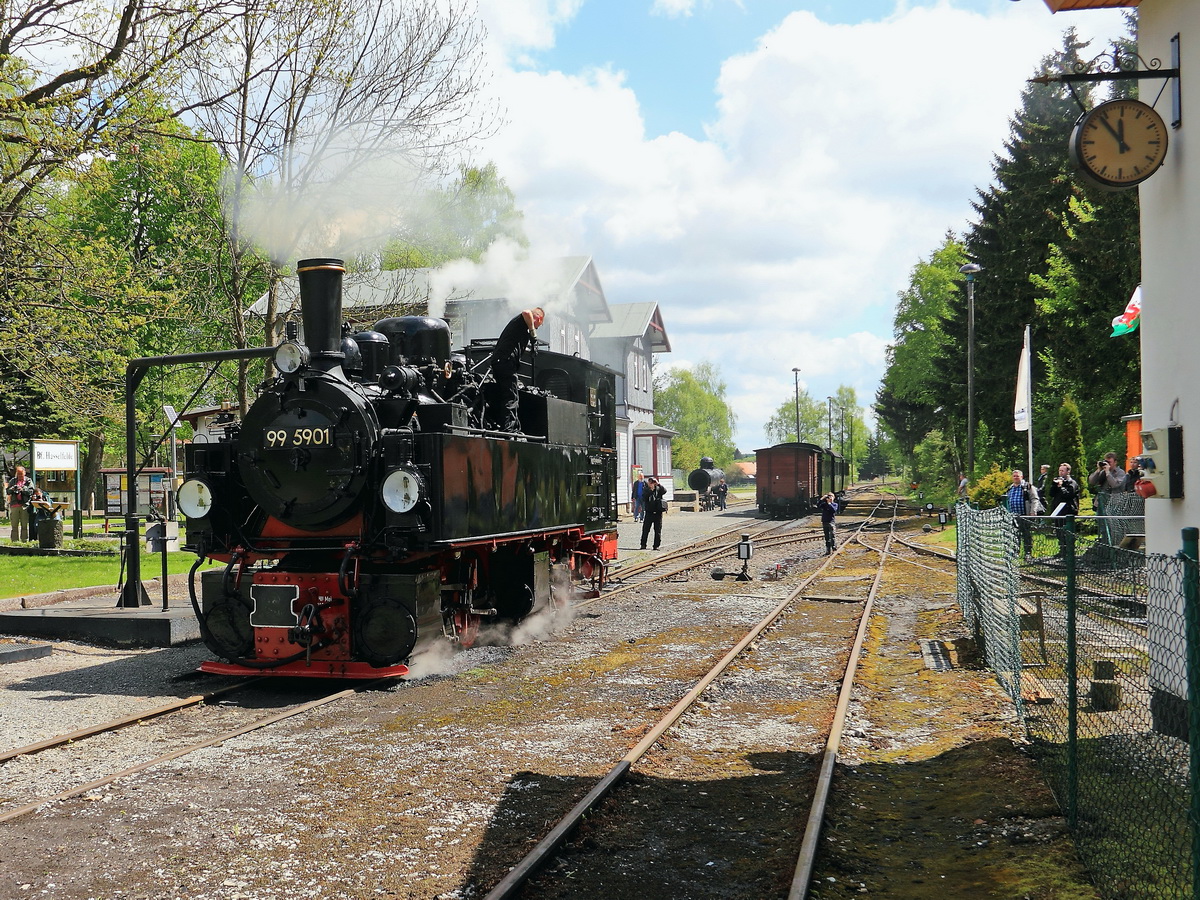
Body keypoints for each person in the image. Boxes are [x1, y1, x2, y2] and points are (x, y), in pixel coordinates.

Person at [484, 306, 545, 432]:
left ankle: (504, 425)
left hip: (500, 361)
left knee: (504, 394)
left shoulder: (520, 328)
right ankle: (510, 430)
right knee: (511, 396)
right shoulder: (524, 318)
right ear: (538, 318)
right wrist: (534, 335)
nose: (538, 327)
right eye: (539, 324)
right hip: (506, 362)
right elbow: (526, 312)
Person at [1003, 470, 1034, 558]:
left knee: (1026, 535)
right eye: (1014, 476)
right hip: (1013, 516)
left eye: (1017, 476)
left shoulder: (1027, 487)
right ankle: (1016, 551)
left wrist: (1032, 511)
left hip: (1024, 515)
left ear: (1022, 477)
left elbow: (1034, 499)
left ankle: (1028, 553)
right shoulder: (1010, 488)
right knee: (1015, 535)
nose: (1016, 478)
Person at [6, 465, 34, 543]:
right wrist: (12, 489)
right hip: (14, 505)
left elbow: (31, 492)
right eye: (18, 474)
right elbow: (7, 491)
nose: (20, 476)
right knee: (14, 525)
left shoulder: (28, 481)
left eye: (21, 474)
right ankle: (14, 541)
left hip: (24, 505)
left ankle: (24, 540)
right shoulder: (13, 481)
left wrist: (22, 489)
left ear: (24, 473)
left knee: (24, 525)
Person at [639, 476, 667, 550]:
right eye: (650, 482)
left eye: (652, 482)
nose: (651, 483)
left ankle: (656, 545)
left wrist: (658, 484)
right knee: (645, 529)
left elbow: (664, 491)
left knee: (658, 530)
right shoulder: (646, 489)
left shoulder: (658, 489)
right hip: (649, 512)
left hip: (658, 513)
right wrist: (650, 490)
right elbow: (644, 498)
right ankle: (643, 544)